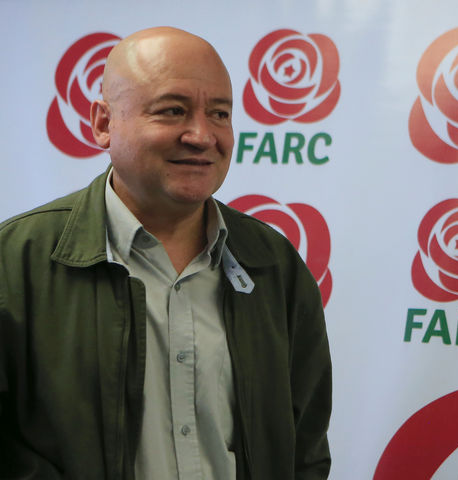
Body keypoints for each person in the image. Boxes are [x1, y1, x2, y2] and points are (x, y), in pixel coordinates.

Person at [0, 27, 332, 479]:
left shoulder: (274, 264)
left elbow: (305, 447)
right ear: (103, 123)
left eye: (219, 114)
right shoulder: (15, 264)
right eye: (172, 111)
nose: (201, 135)